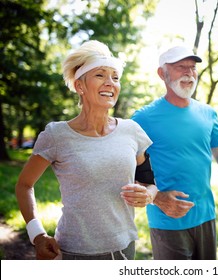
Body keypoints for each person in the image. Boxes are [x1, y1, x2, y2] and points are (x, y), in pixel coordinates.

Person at [15, 40, 158, 260]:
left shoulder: (132, 131)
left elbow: (150, 183)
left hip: (124, 250)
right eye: (100, 75)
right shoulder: (57, 135)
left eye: (115, 77)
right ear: (80, 86)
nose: (110, 83)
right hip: (74, 252)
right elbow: (24, 185)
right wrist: (38, 236)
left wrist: (147, 196)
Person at [131, 46, 218, 260]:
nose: (189, 72)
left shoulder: (208, 113)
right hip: (168, 219)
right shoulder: (143, 118)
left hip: (206, 215)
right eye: (180, 67)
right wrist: (157, 198)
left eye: (192, 67)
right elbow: (125, 169)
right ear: (162, 73)